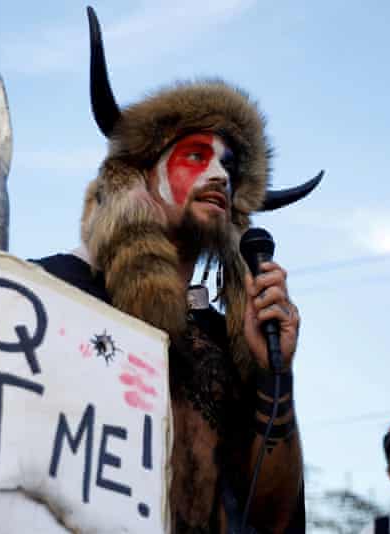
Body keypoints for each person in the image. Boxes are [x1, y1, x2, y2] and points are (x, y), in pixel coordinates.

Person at [32, 7, 324, 533]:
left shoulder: (229, 343)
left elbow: (274, 520)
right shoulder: (51, 293)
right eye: (195, 156)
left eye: (229, 167)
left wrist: (273, 375)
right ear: (139, 178)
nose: (218, 174)